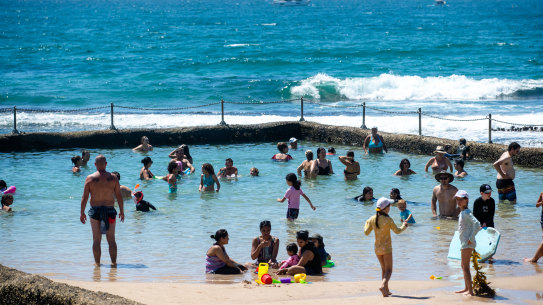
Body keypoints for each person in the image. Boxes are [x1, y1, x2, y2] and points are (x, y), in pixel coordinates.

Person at [79, 155, 125, 267]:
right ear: (106, 164)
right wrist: (122, 211)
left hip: (95, 211)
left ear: (95, 165)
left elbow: (84, 197)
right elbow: (119, 196)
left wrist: (82, 213)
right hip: (110, 211)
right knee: (111, 239)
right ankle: (114, 263)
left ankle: (97, 264)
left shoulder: (90, 178)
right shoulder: (113, 178)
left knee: (96, 239)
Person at [364, 198, 408, 297]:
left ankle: (386, 290)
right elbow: (397, 231)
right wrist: (404, 226)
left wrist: (366, 222)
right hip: (387, 248)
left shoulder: (372, 219)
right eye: (389, 206)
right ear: (386, 208)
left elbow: (366, 232)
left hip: (377, 249)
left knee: (384, 269)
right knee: (389, 270)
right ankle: (383, 285)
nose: (390, 208)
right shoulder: (388, 219)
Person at [454, 190, 481, 296]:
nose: (458, 201)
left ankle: (470, 292)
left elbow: (477, 224)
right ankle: (466, 288)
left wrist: (471, 237)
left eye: (461, 199)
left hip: (467, 243)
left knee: (465, 267)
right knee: (463, 265)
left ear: (467, 200)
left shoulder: (466, 213)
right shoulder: (463, 212)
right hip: (464, 242)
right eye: (457, 199)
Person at [524, 192, 543, 263]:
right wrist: (541, 202)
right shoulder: (542, 193)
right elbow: (537, 205)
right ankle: (534, 259)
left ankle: (534, 259)